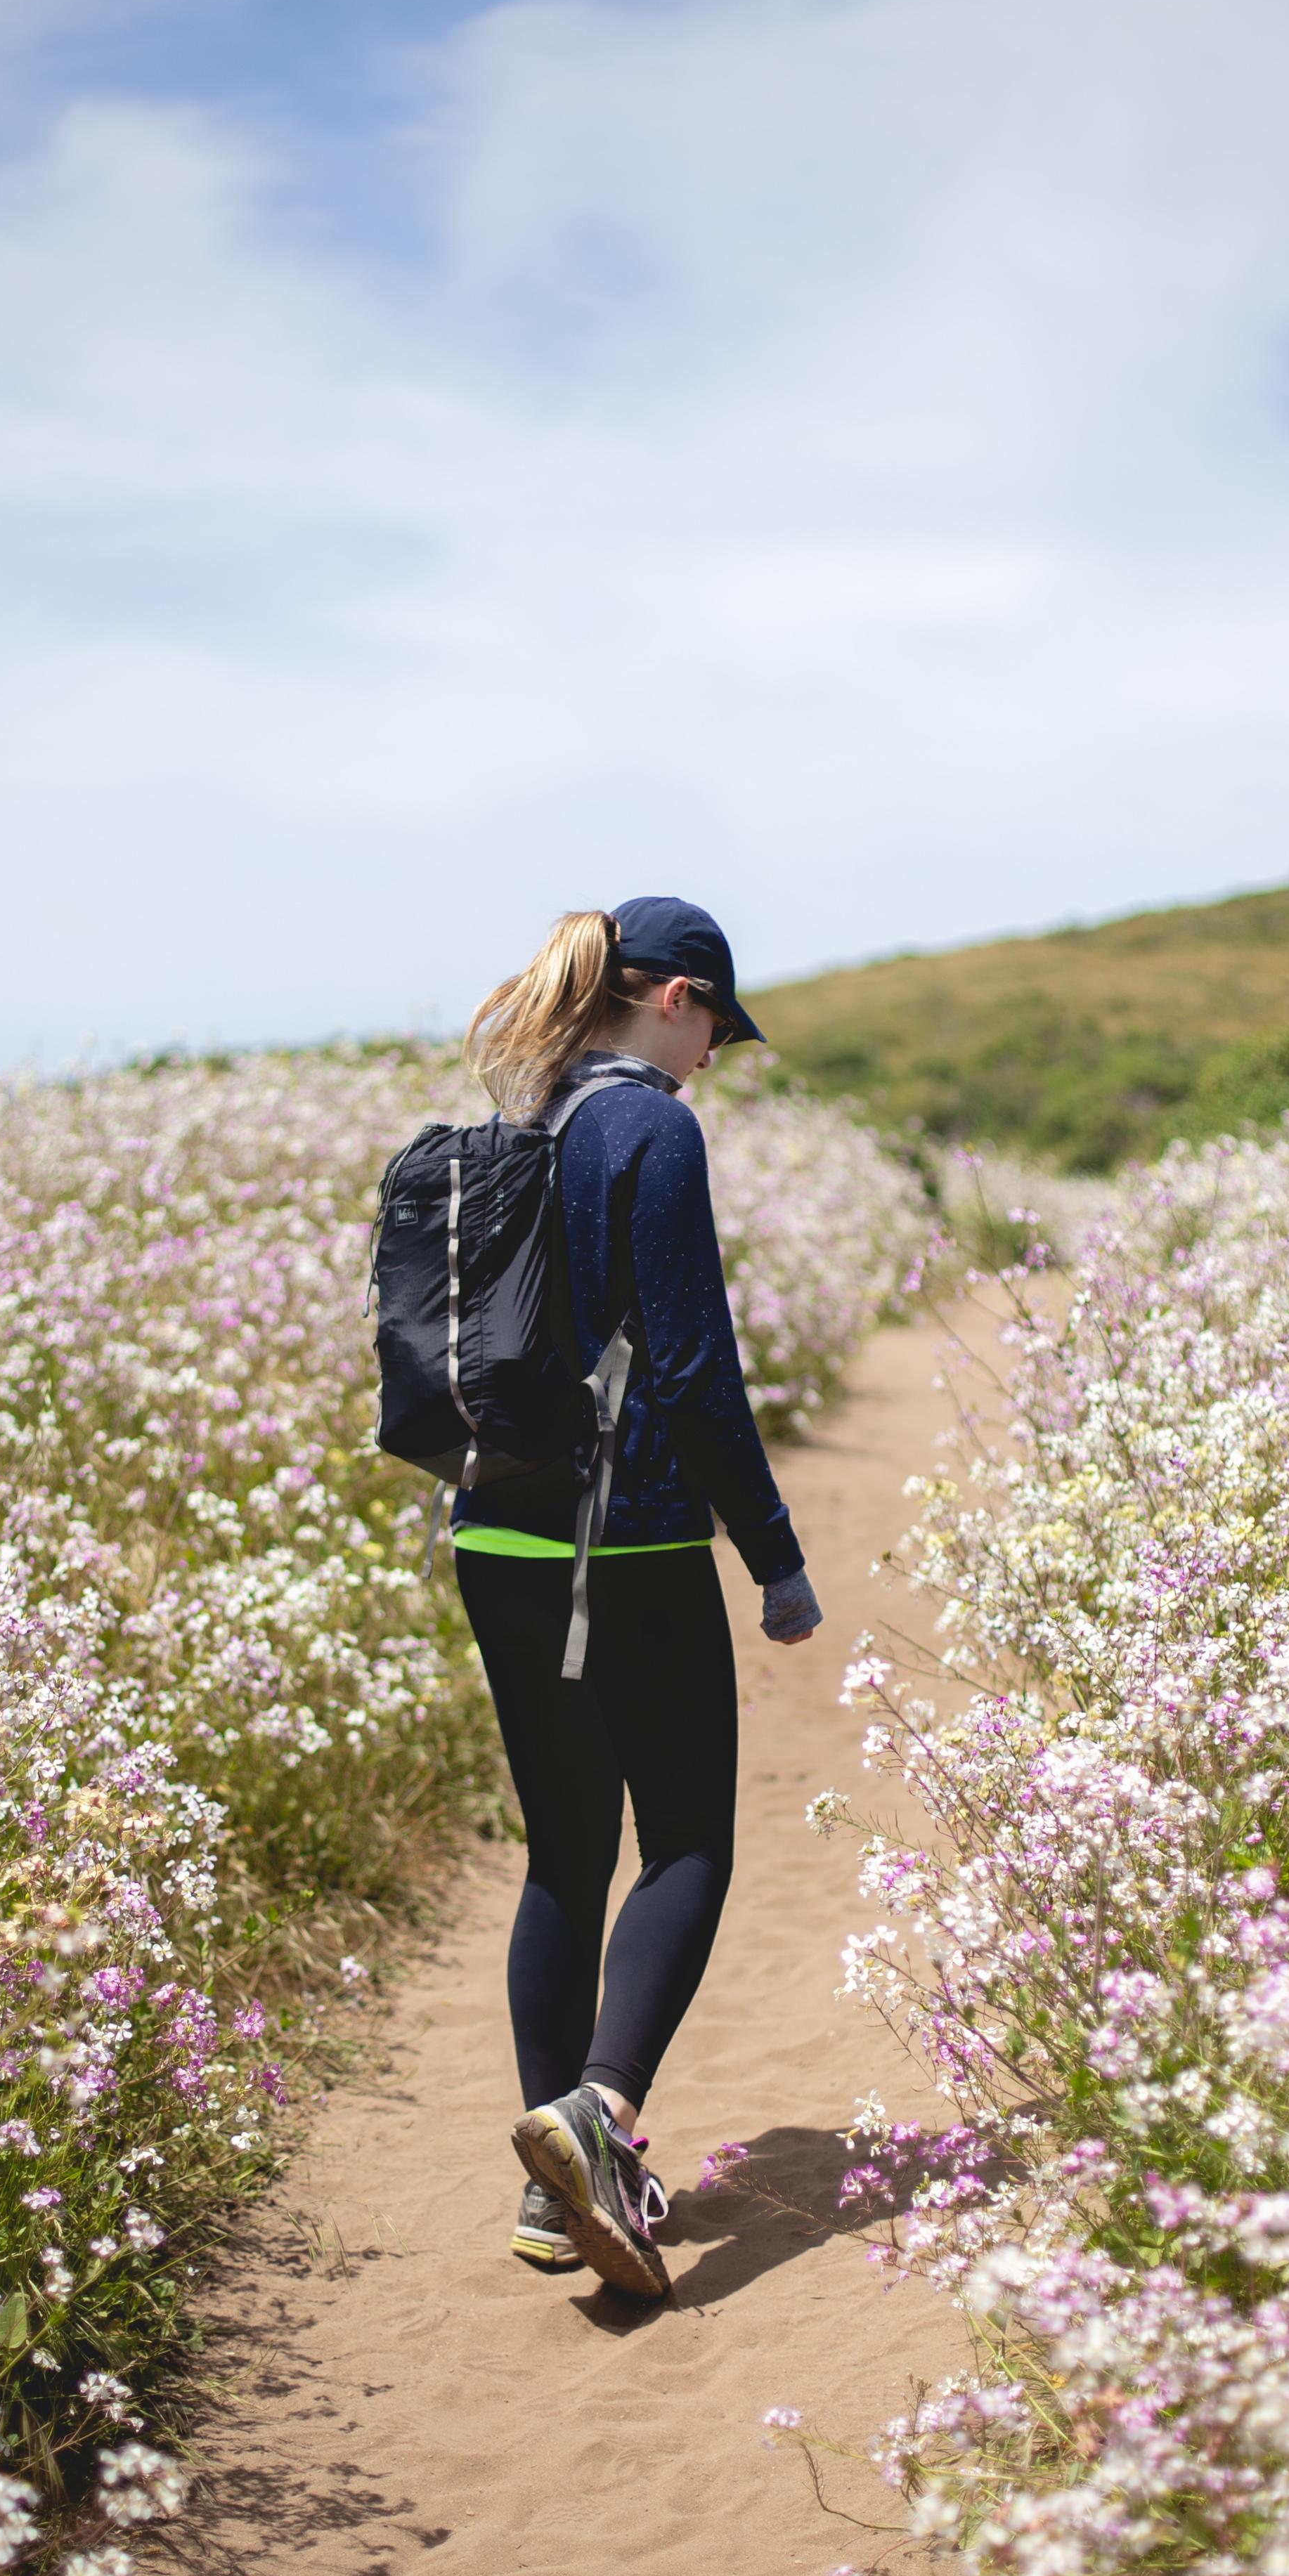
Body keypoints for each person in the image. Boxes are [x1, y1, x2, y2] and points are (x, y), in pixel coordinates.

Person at [454, 897, 823, 2298]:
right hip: (632, 1540)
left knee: (562, 1853)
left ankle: (556, 2199)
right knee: (685, 1845)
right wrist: (772, 1553)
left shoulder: (518, 1127)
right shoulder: (648, 1127)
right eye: (714, 1023)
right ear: (671, 996)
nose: (714, 1054)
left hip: (495, 1531)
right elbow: (693, 1369)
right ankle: (601, 2113)